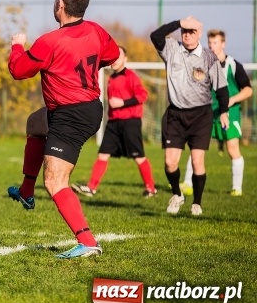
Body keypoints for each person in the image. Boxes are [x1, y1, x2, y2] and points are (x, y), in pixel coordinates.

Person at [7, 0, 120, 259]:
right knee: (35, 124)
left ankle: (87, 241)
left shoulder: (50, 41)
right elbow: (113, 55)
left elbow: (19, 71)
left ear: (60, 5)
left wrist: (17, 47)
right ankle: (26, 191)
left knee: (56, 181)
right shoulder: (96, 30)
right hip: (88, 107)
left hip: (71, 115)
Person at [150, 16, 229, 217]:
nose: (187, 34)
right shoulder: (172, 49)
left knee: (197, 161)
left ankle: (197, 203)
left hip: (200, 115)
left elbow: (221, 88)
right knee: (170, 162)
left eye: (192, 31)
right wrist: (179, 22)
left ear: (199, 33)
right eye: (184, 31)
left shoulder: (209, 57)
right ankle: (177, 195)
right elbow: (155, 35)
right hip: (175, 114)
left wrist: (224, 111)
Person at [71, 46, 157, 198]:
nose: (115, 59)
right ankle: (91, 188)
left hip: (130, 122)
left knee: (138, 157)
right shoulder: (111, 78)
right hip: (113, 123)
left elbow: (143, 96)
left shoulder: (131, 76)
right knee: (102, 155)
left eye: (119, 56)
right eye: (114, 56)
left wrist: (123, 103)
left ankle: (150, 188)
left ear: (125, 59)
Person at [180, 29, 251, 197]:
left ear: (223, 44)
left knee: (232, 148)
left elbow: (248, 90)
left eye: (216, 43)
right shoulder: (204, 63)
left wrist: (231, 100)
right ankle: (188, 184)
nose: (212, 46)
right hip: (206, 113)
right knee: (196, 147)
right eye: (210, 43)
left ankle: (236, 188)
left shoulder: (234, 65)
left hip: (230, 114)